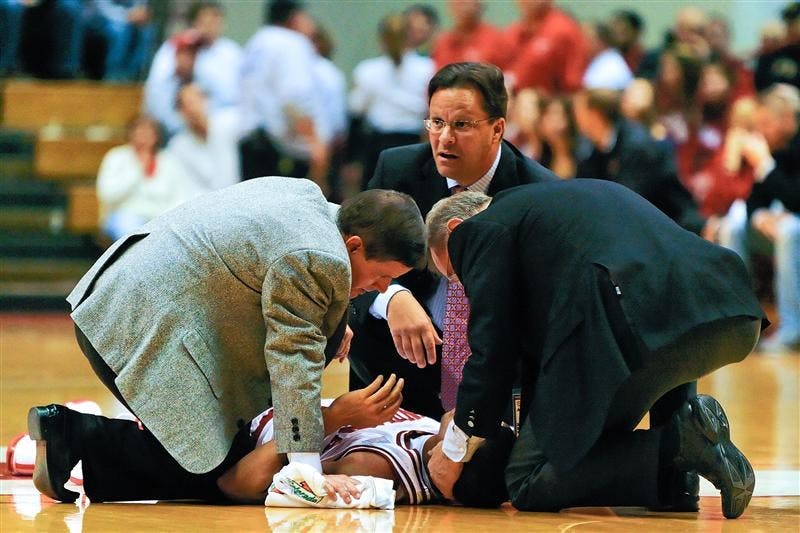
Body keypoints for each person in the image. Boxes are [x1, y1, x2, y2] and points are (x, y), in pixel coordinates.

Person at [27, 178, 427, 504]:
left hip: (127, 296)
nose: (382, 287)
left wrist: (332, 319)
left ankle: (70, 438)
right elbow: (294, 357)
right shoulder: (317, 256)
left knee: (232, 459)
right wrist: (306, 470)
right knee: (233, 475)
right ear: (354, 245)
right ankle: (73, 438)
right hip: (135, 323)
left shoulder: (313, 203)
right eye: (382, 275)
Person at [424, 184, 766, 518]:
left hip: (634, 327)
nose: (464, 287)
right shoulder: (564, 202)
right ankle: (676, 481)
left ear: (457, 230)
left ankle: (681, 445)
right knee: (662, 340)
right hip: (730, 312)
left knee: (525, 480)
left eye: (456, 276)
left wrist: (455, 449)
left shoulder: (480, 230)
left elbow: (491, 347)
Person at [347, 62, 558, 420]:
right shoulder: (397, 170)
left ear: (497, 129)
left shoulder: (538, 193)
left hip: (496, 381)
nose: (444, 138)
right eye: (436, 122)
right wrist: (392, 296)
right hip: (393, 371)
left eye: (461, 125)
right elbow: (359, 260)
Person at [218, 405, 514, 508]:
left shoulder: (372, 468)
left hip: (230, 432)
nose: (473, 416)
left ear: (450, 468)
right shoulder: (431, 440)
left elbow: (236, 484)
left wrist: (333, 418)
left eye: (469, 436)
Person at [721, 83, 800, 353]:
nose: (761, 131)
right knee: (734, 225)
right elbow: (754, 199)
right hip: (778, 230)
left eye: (766, 123)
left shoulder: (781, 150)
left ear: (788, 119)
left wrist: (765, 164)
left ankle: (792, 328)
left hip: (793, 232)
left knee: (790, 230)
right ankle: (740, 324)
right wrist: (759, 217)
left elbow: (796, 199)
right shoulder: (774, 145)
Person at [573, 88, 709, 236]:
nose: (575, 118)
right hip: (640, 228)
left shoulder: (636, 145)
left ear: (595, 114)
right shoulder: (591, 149)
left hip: (674, 226)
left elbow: (629, 200)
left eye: (579, 111)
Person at [238, 0, 330, 195]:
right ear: (295, 18)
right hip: (280, 150)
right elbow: (294, 98)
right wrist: (314, 143)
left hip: (251, 144)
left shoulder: (257, 42)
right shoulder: (291, 42)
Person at [348, 13, 434, 189]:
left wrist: (351, 159)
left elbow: (356, 111)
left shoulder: (367, 70)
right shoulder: (427, 68)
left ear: (381, 39)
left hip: (378, 145)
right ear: (409, 36)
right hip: (415, 144)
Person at [144, 0, 243, 137]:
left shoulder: (232, 51)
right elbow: (157, 93)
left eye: (216, 21)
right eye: (206, 21)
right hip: (175, 127)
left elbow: (239, 95)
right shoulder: (176, 47)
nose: (211, 27)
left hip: (221, 124)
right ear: (194, 23)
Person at [96, 114, 194, 241]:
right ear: (130, 134)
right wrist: (137, 171)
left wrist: (165, 219)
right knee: (132, 233)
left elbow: (180, 197)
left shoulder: (169, 161)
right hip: (124, 216)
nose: (143, 137)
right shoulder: (117, 157)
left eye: (148, 132)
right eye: (139, 132)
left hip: (161, 218)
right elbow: (107, 195)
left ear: (157, 136)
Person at [166, 83, 242, 193]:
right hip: (203, 204)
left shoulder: (229, 124)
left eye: (196, 100)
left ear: (206, 100)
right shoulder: (177, 147)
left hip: (239, 196)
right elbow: (186, 187)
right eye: (187, 104)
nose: (193, 108)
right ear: (180, 112)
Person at [430, 0, 507, 70]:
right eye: (457, 3)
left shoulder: (496, 39)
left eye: (464, 3)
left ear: (479, 6)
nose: (461, 7)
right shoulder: (443, 42)